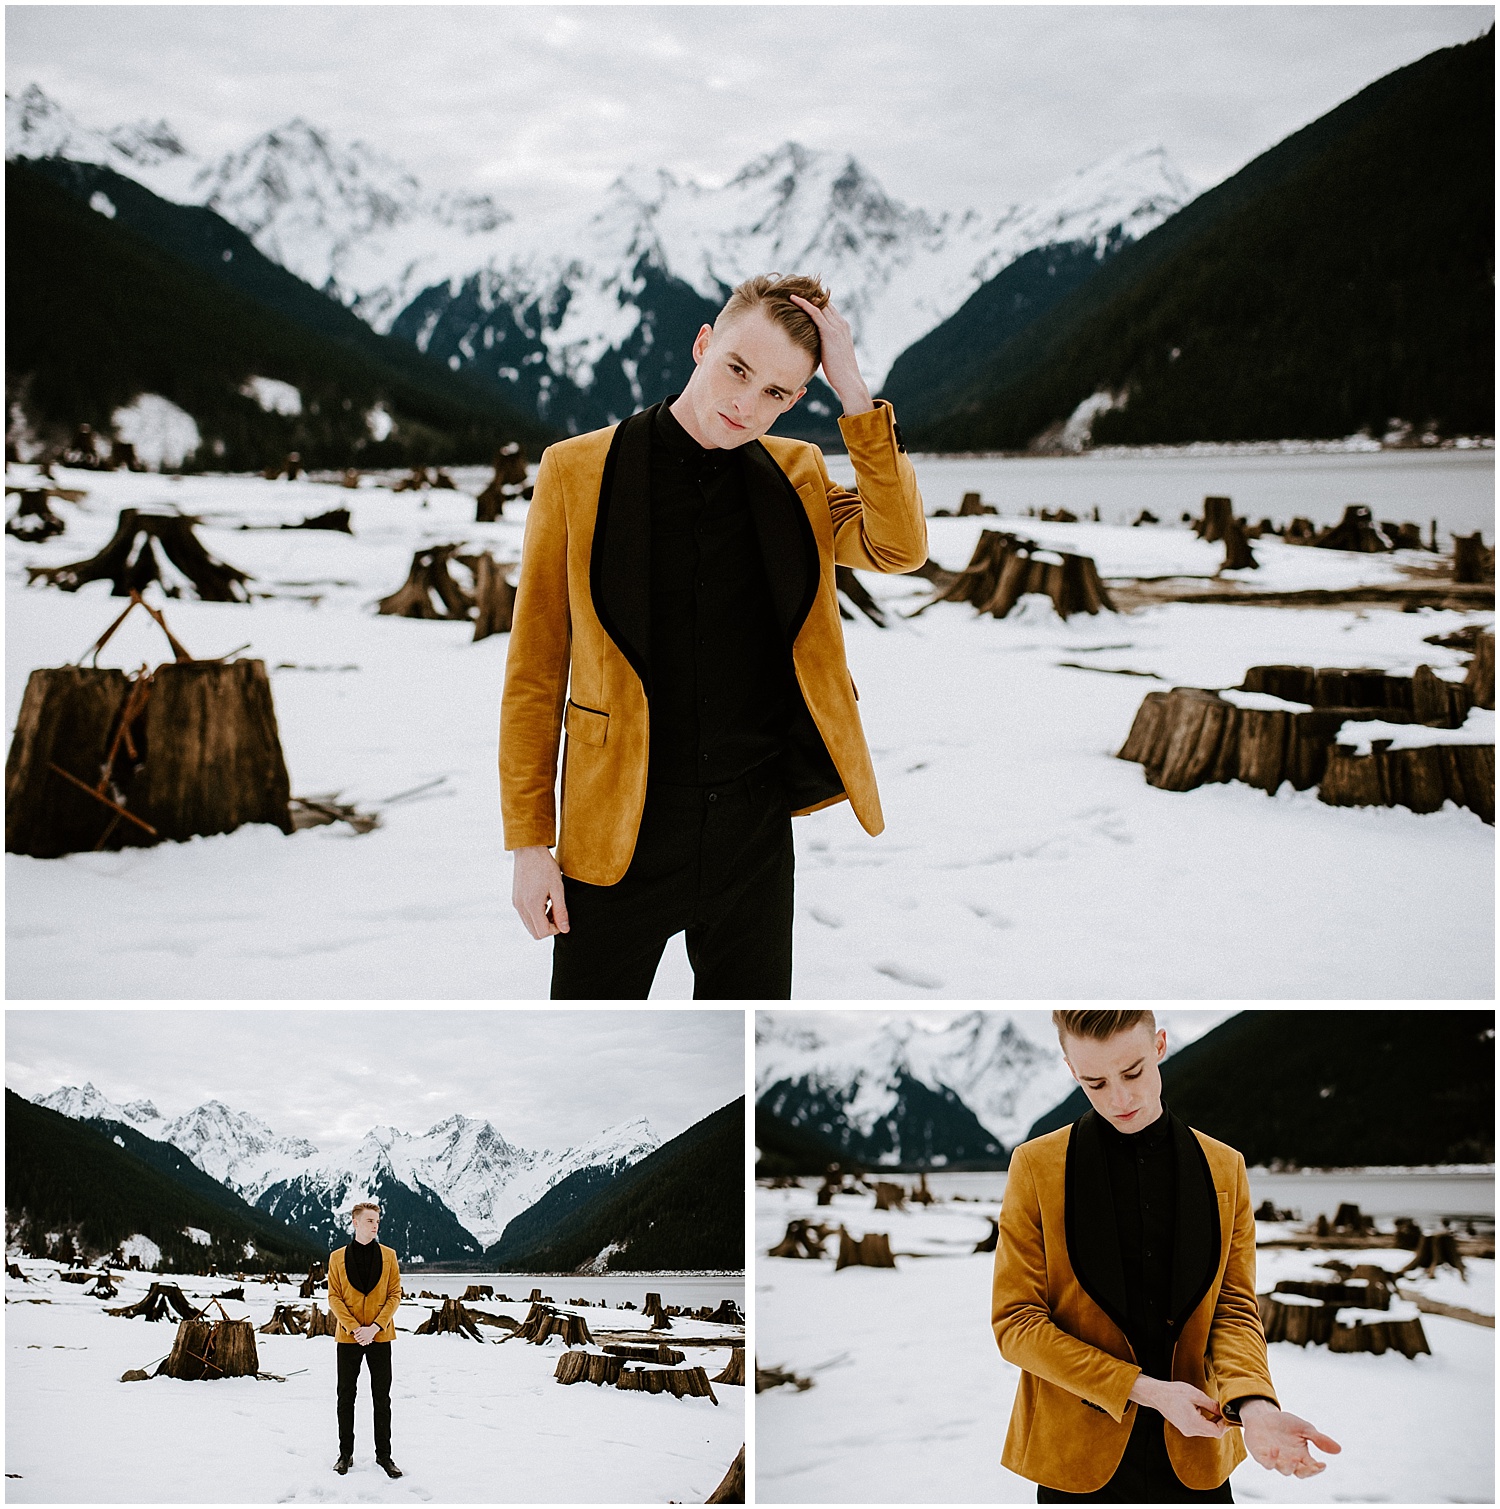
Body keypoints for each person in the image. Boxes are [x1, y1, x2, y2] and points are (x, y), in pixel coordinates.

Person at [500, 273, 926, 999]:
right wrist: (529, 843)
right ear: (703, 343)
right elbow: (536, 671)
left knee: (747, 1034)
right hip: (616, 831)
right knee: (590, 1028)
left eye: (778, 394)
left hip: (752, 836)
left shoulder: (797, 473)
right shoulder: (574, 470)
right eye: (737, 369)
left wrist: (853, 391)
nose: (746, 403)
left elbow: (899, 545)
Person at [991, 1010, 1341, 1503]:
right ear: (1072, 1071)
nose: (1120, 1098)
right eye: (1095, 1083)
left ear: (1159, 1046)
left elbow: (1234, 1311)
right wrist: (1146, 1391)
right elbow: (1017, 1324)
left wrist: (1255, 1405)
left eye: (1132, 1072)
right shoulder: (1034, 1166)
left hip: (1198, 1459)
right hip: (1077, 1462)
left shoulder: (1226, 1168)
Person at [327, 1201, 403, 1478]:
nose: (375, 1225)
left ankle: (384, 1456)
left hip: (380, 1337)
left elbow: (395, 1294)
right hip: (348, 1338)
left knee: (381, 1398)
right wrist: (354, 1327)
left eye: (377, 1221)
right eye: (370, 1220)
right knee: (346, 1396)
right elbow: (333, 1296)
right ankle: (345, 1454)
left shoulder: (389, 1255)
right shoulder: (336, 1258)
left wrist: (375, 1327)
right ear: (355, 1222)